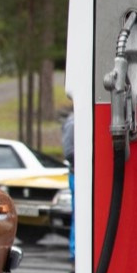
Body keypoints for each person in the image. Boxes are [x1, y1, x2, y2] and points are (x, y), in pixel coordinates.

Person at [61, 108, 75, 262]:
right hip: (76, 174)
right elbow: (69, 152)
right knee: (77, 216)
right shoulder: (73, 122)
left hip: (77, 173)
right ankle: (75, 252)